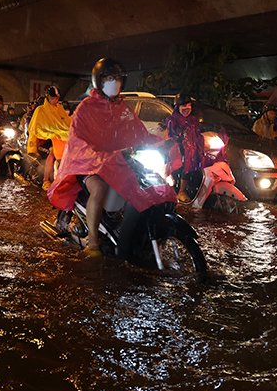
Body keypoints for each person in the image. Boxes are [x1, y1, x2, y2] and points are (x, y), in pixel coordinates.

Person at [47, 58, 176, 258]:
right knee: (99, 188)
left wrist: (161, 142)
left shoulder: (122, 108)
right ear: (99, 80)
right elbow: (78, 139)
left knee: (143, 183)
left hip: (115, 161)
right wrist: (97, 155)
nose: (113, 82)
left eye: (117, 78)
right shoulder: (85, 108)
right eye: (108, 78)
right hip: (87, 164)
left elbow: (138, 131)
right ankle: (93, 241)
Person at [27, 86, 71, 190]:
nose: (55, 100)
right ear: (47, 97)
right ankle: (45, 180)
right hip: (43, 140)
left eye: (56, 98)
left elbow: (66, 124)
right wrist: (51, 134)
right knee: (51, 153)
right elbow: (36, 129)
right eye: (53, 98)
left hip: (58, 138)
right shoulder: (40, 110)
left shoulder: (59, 108)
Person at [166, 93, 205, 202]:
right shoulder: (172, 120)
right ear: (178, 107)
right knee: (180, 167)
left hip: (191, 149)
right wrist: (181, 138)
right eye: (184, 106)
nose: (187, 109)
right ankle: (178, 192)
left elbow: (198, 132)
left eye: (189, 106)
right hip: (177, 150)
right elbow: (172, 135)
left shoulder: (192, 120)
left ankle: (187, 190)